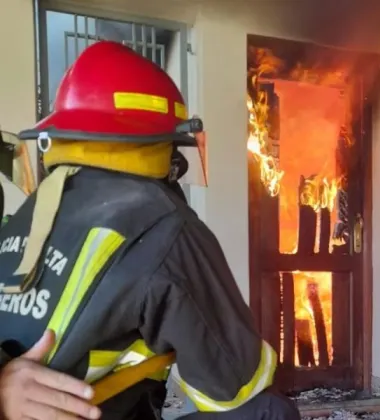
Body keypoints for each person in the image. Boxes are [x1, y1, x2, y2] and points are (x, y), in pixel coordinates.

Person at [0, 40, 300, 420]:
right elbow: (232, 384)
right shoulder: (163, 223)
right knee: (269, 411)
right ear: (158, 145)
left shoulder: (34, 208)